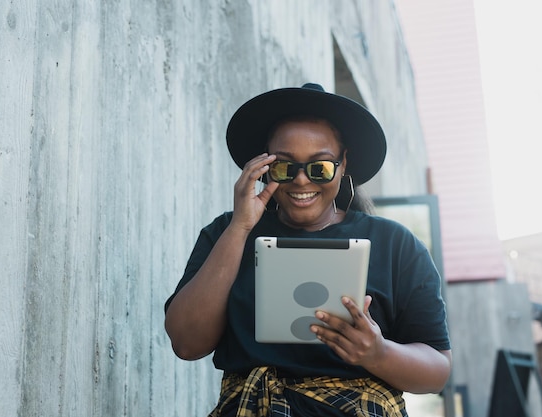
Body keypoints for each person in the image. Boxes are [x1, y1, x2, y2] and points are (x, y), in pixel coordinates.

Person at [164, 83, 451, 416]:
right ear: (263, 168)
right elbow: (186, 343)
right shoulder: (225, 234)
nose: (301, 181)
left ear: (344, 164)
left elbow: (438, 370)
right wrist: (240, 227)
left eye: (320, 167)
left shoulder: (396, 245)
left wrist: (378, 353)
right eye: (285, 166)